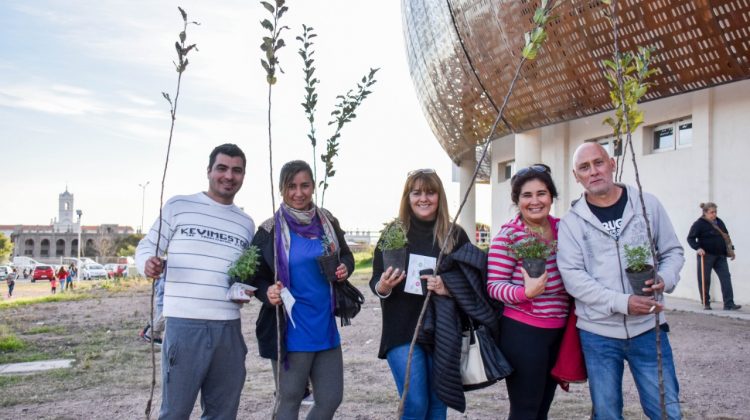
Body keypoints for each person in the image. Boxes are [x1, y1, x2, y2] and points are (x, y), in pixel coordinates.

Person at [557, 142, 684, 419]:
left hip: (649, 328)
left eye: (598, 162)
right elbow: (574, 278)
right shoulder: (571, 223)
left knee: (666, 410)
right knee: (607, 413)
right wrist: (622, 302)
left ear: (612, 163)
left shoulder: (647, 205)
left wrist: (664, 278)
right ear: (575, 175)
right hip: (598, 333)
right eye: (584, 167)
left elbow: (672, 251)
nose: (593, 171)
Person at [135, 143, 256, 419]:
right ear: (209, 171)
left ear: (243, 176)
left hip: (228, 328)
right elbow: (147, 246)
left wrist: (244, 288)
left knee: (223, 413)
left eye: (237, 170)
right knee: (175, 412)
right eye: (222, 168)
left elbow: (243, 273)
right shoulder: (179, 206)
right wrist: (148, 263)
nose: (229, 176)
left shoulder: (245, 223)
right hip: (183, 326)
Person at [249, 160, 353, 420]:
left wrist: (344, 268)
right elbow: (254, 277)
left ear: (314, 186)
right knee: (289, 400)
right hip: (290, 329)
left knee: (330, 398)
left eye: (305, 185)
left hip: (324, 324)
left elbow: (347, 256)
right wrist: (267, 292)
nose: (298, 192)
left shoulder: (327, 221)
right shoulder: (269, 230)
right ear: (282, 189)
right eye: (291, 186)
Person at [370, 169, 475, 419]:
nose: (423, 198)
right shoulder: (394, 234)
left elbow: (473, 281)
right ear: (408, 197)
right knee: (415, 404)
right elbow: (376, 278)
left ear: (440, 196)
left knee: (438, 406)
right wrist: (383, 287)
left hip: (443, 331)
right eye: (416, 193)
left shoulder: (455, 235)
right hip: (402, 329)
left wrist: (446, 287)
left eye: (430, 192)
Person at [486, 164, 570, 419]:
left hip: (559, 332)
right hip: (524, 333)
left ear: (551, 197)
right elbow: (494, 286)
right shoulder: (509, 235)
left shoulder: (564, 230)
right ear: (517, 200)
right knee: (525, 410)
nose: (535, 201)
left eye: (541, 193)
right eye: (527, 195)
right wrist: (526, 293)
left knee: (542, 409)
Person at [687, 202, 741, 311]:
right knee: (704, 280)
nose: (714, 214)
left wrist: (732, 251)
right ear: (705, 213)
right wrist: (698, 248)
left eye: (715, 212)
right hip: (706, 256)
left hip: (720, 255)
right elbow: (690, 238)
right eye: (711, 212)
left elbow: (726, 236)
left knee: (726, 278)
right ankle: (706, 303)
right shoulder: (699, 224)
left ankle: (729, 304)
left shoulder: (719, 222)